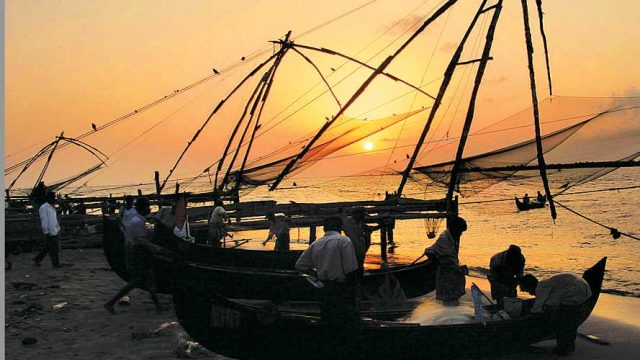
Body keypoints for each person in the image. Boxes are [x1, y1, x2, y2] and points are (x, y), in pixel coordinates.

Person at [295, 216, 360, 327]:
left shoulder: (316, 243)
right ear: (340, 228)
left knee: (327, 317)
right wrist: (354, 291)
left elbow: (300, 265)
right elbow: (351, 270)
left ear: (324, 229)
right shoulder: (344, 241)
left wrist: (316, 274)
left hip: (323, 287)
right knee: (344, 319)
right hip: (340, 288)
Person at [104, 197, 162, 315]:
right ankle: (110, 303)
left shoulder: (139, 220)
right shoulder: (137, 222)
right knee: (137, 281)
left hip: (139, 252)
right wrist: (157, 248)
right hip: (138, 254)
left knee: (149, 279)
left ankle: (158, 307)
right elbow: (141, 240)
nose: (149, 208)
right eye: (148, 206)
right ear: (143, 207)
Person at [519, 273, 592, 356]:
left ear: (530, 286)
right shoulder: (547, 283)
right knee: (570, 322)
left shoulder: (541, 287)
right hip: (584, 289)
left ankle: (562, 349)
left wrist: (529, 313)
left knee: (562, 323)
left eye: (527, 291)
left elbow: (537, 308)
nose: (529, 293)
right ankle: (569, 347)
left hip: (574, 292)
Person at [424, 216, 468, 305]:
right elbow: (429, 251)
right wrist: (441, 264)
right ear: (454, 229)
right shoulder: (444, 239)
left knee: (453, 298)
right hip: (446, 273)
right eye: (460, 232)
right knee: (449, 299)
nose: (460, 234)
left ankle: (452, 312)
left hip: (451, 271)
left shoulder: (451, 237)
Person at [341, 208, 379, 275]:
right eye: (362, 215)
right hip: (352, 249)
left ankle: (359, 278)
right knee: (353, 267)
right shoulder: (346, 222)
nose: (363, 217)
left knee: (360, 266)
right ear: (356, 214)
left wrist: (380, 226)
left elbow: (369, 229)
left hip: (361, 249)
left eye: (363, 215)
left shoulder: (360, 223)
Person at [33, 191, 62, 268]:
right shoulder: (43, 207)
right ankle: (56, 264)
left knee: (48, 247)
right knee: (53, 249)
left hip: (54, 229)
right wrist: (46, 231)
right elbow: (44, 220)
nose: (53, 199)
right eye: (52, 198)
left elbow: (54, 219)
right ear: (48, 198)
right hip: (49, 231)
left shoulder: (52, 207)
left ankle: (37, 259)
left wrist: (57, 227)